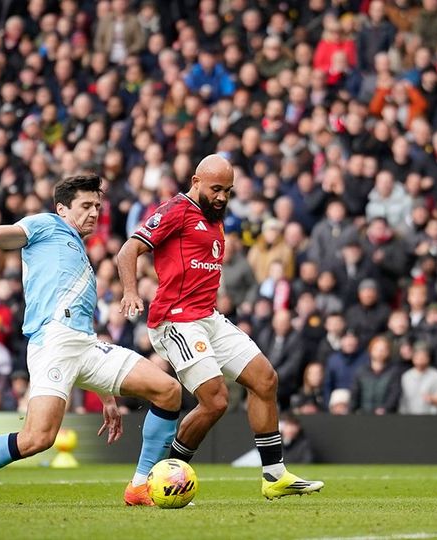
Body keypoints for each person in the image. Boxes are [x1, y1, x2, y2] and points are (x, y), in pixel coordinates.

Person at [0, 174, 182, 509]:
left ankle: (140, 487)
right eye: (85, 206)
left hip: (84, 345)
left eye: (97, 206)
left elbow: (81, 330)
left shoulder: (79, 249)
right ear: (61, 208)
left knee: (169, 391)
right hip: (52, 342)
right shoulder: (45, 225)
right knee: (37, 439)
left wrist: (105, 395)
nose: (94, 213)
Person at [118, 155, 323, 503]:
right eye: (216, 189)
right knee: (215, 401)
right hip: (176, 319)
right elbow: (129, 249)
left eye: (227, 191)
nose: (222, 197)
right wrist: (130, 291)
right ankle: (169, 477)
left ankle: (275, 476)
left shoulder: (214, 217)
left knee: (265, 379)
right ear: (196, 181)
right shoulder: (175, 210)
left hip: (207, 317)